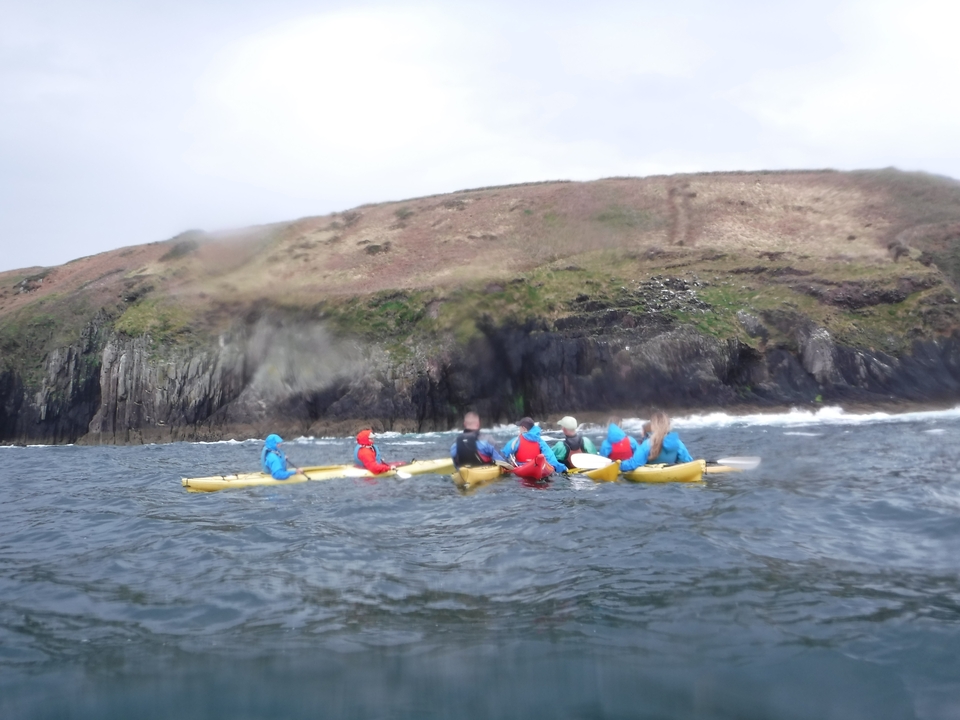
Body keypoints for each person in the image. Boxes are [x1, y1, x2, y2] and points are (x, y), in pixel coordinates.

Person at [501, 417, 568, 473]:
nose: (519, 430)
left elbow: (503, 454)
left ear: (523, 428)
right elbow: (551, 459)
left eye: (520, 428)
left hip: (521, 469)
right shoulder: (540, 441)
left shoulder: (516, 441)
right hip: (537, 468)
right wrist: (563, 468)